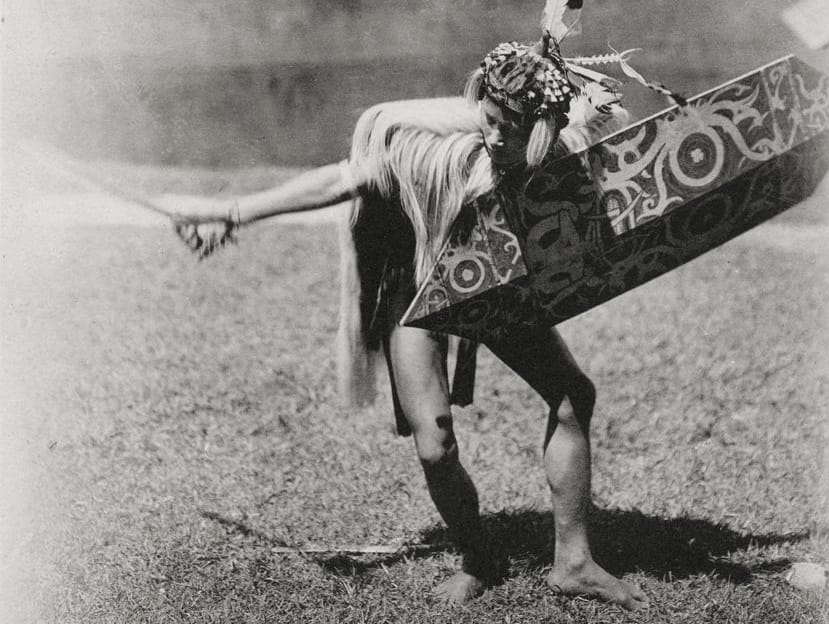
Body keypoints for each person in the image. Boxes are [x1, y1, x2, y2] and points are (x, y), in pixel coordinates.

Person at [168, 33, 650, 610]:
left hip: (493, 282)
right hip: (419, 282)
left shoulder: (562, 152)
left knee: (572, 396)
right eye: (491, 120)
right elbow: (344, 179)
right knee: (434, 444)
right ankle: (478, 560)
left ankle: (573, 562)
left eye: (514, 129)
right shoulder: (439, 151)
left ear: (543, 130)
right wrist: (231, 212)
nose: (497, 137)